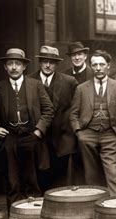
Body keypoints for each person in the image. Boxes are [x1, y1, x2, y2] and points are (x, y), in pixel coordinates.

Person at [0, 48, 54, 208]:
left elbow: (48, 110)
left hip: (31, 138)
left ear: (24, 66)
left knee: (33, 180)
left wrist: (39, 130)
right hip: (9, 139)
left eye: (17, 64)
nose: (13, 67)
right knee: (12, 182)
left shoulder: (36, 85)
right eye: (10, 63)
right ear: (5, 67)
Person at [69, 50, 116, 195]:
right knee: (90, 174)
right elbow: (73, 113)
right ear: (91, 66)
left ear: (108, 66)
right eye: (95, 65)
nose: (98, 68)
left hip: (111, 134)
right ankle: (94, 206)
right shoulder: (81, 88)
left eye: (101, 64)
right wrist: (78, 132)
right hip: (87, 134)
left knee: (113, 173)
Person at [28, 45, 78, 190]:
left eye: (51, 62)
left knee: (61, 179)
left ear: (56, 64)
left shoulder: (69, 82)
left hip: (62, 137)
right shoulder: (29, 80)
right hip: (38, 136)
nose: (48, 65)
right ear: (40, 62)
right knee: (40, 176)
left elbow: (75, 108)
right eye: (44, 61)